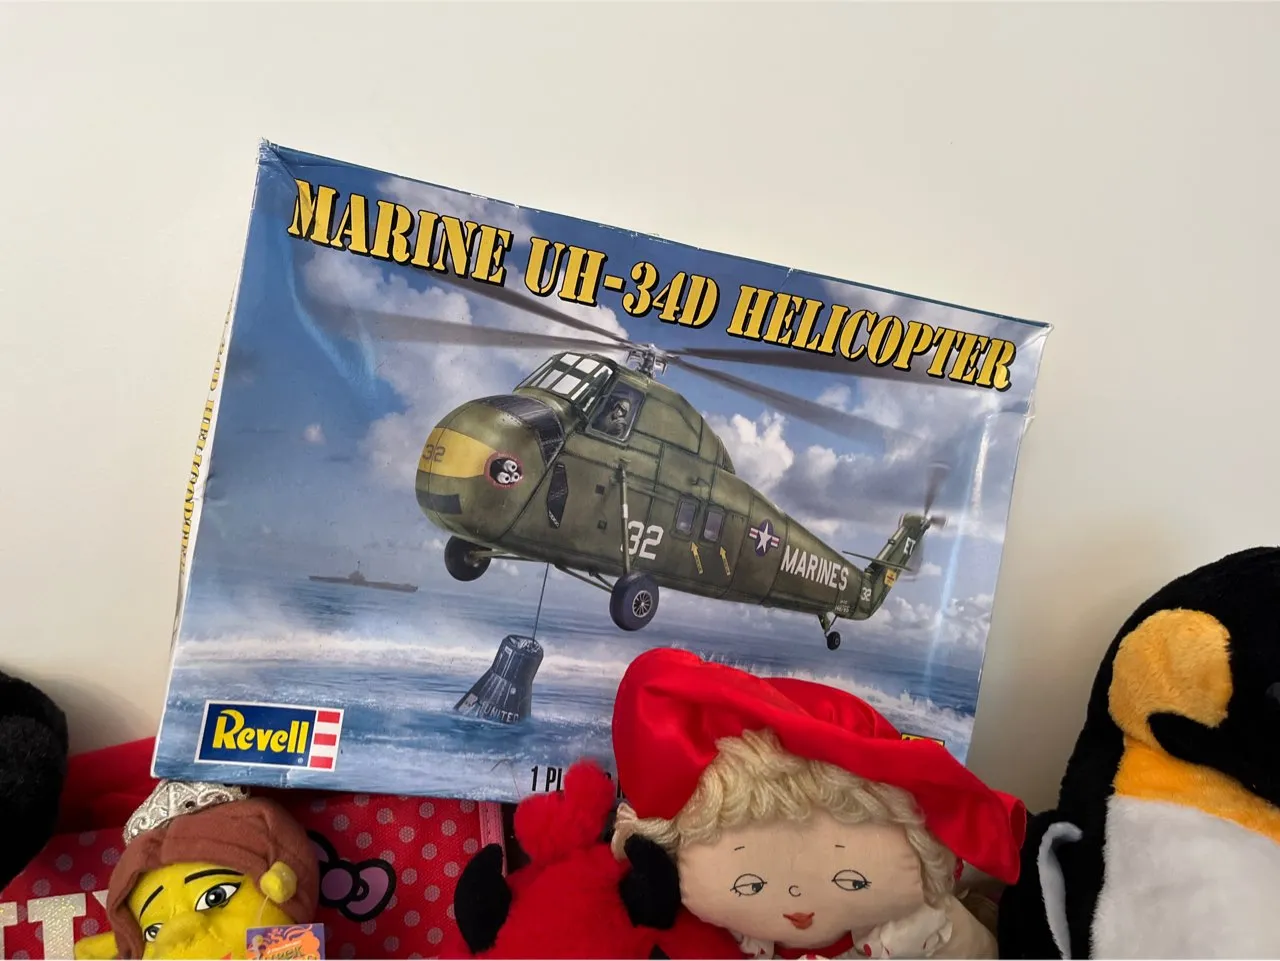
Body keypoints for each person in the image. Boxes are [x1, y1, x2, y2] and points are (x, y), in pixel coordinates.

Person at [609, 648, 1026, 960]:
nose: (796, 900)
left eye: (852, 881)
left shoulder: (918, 931)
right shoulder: (722, 940)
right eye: (750, 886)